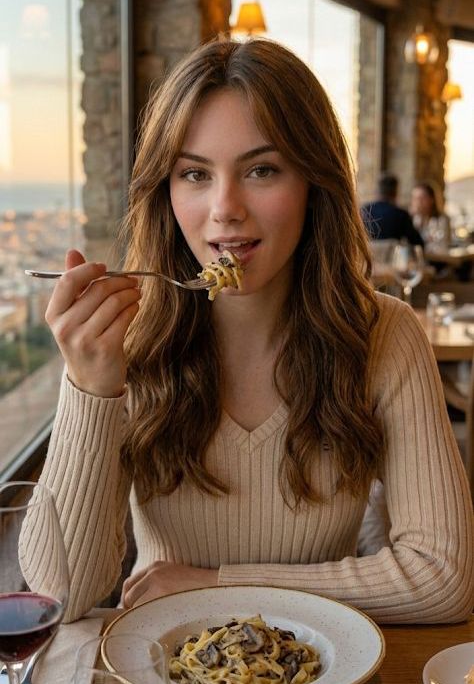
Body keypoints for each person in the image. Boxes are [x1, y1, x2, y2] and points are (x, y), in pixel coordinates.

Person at [20, 38, 473, 626]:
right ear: (167, 192)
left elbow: (443, 576)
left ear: (315, 185)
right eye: (194, 173)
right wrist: (90, 387)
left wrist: (216, 587)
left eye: (262, 169)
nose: (225, 207)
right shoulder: (123, 341)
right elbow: (59, 593)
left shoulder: (384, 334)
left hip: (323, 682)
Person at [361, 173, 424, 247]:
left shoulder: (364, 210)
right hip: (391, 258)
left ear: (377, 191)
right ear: (396, 192)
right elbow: (417, 243)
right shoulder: (401, 215)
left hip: (366, 257)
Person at [410, 181, 451, 252]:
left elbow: (441, 245)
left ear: (432, 199)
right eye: (415, 198)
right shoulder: (413, 219)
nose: (418, 202)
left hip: (437, 261)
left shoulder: (442, 219)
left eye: (421, 198)